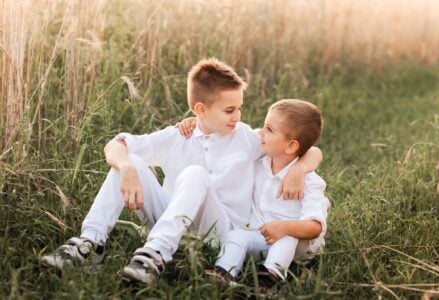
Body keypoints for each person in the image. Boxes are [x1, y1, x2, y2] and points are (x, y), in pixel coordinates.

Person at [41, 59, 323, 285]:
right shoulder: (178, 136)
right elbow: (117, 144)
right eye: (229, 110)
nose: (237, 117)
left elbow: (308, 149)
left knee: (195, 174)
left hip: (221, 230)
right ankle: (91, 243)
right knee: (131, 161)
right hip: (169, 218)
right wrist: (126, 167)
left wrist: (299, 169)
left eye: (240, 108)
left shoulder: (247, 139)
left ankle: (155, 254)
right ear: (200, 109)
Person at [202, 99, 329, 291]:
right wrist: (193, 123)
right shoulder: (261, 158)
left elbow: (315, 228)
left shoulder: (310, 182)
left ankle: (270, 279)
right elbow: (224, 136)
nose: (260, 133)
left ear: (290, 146)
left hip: (296, 245)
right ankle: (224, 272)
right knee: (237, 236)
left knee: (287, 238)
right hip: (261, 236)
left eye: (269, 129)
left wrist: (285, 227)